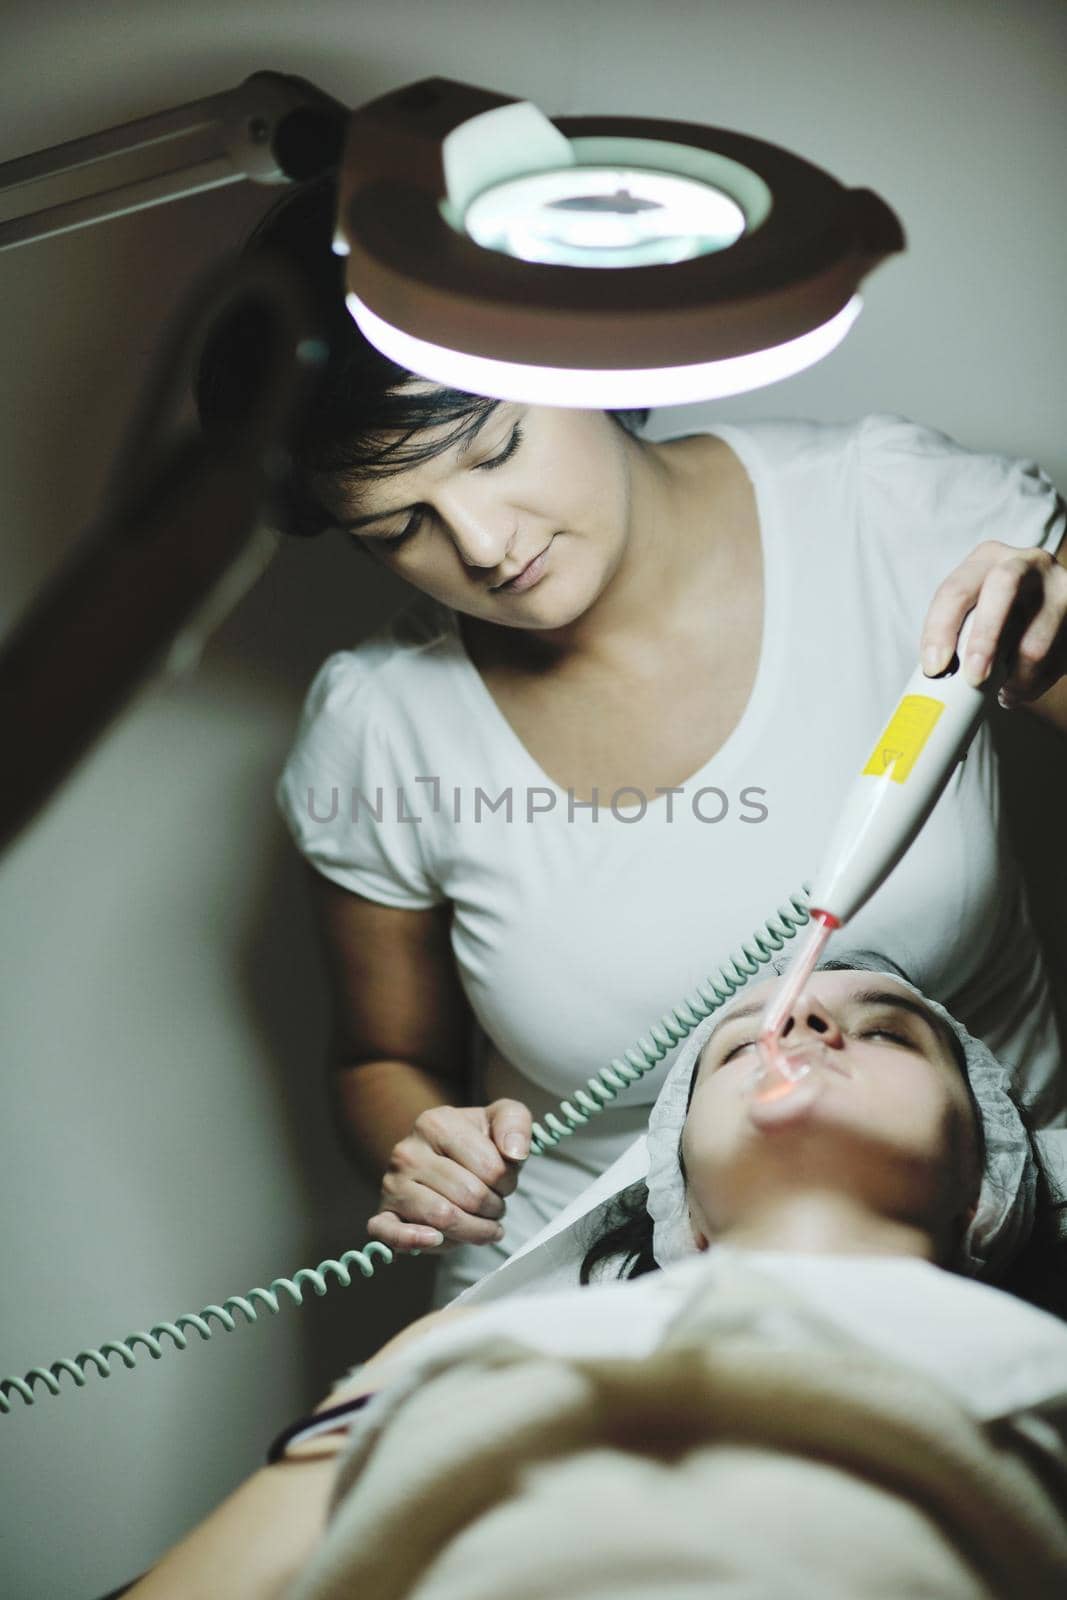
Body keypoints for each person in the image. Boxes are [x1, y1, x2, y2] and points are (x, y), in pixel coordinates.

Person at [196, 174, 1067, 1306]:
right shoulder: (382, 725)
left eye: (497, 450)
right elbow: (378, 1057)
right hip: (591, 1301)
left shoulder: (895, 517)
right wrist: (427, 1145)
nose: (480, 545)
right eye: (396, 527)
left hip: (994, 1262)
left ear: (590, 362)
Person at [124, 956, 1067, 1598]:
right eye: (741, 1044)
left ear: (986, 1188)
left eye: (890, 1036)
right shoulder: (476, 1341)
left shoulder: (1039, 1363)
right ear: (679, 1202)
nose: (805, 1022)